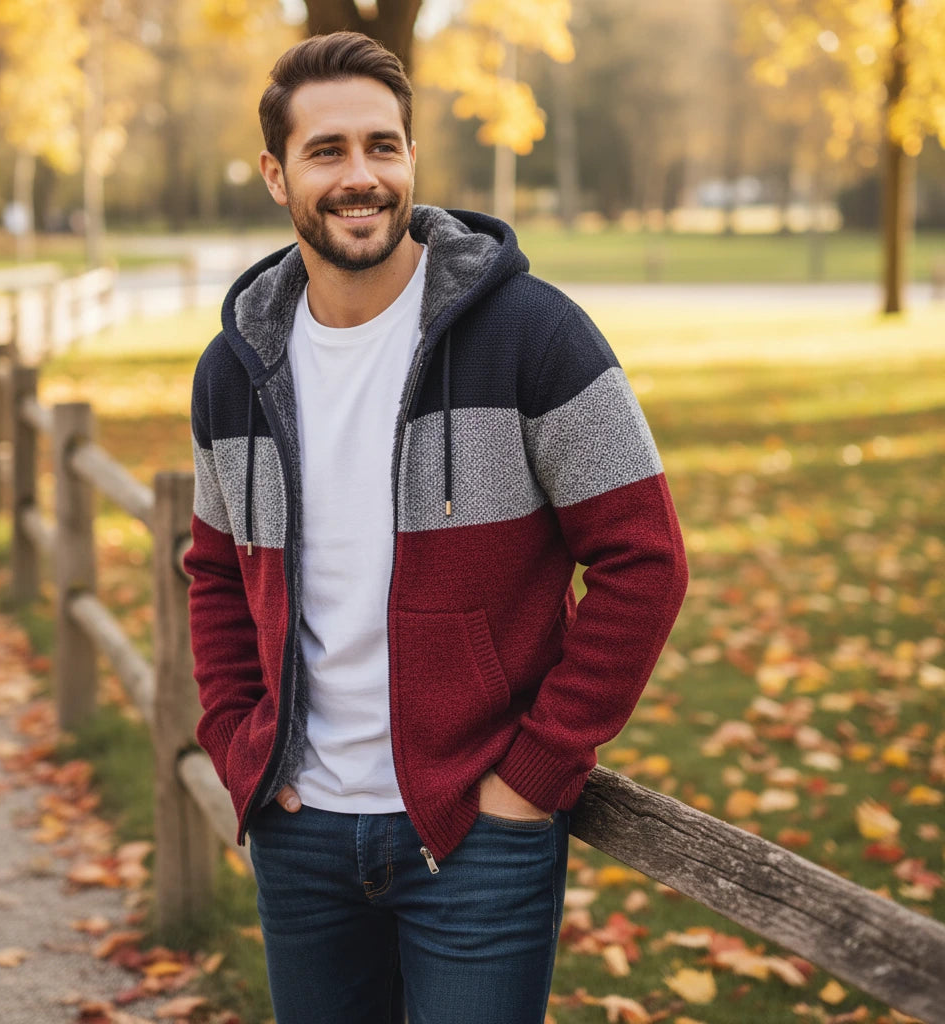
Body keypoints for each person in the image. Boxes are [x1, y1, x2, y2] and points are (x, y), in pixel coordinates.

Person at [183, 30, 688, 1024]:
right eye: (327, 151)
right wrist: (238, 738)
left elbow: (645, 558)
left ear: (411, 157)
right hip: (302, 829)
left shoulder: (533, 335)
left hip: (475, 835)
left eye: (384, 145)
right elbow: (213, 569)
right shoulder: (235, 369)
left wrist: (533, 776)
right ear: (275, 174)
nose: (360, 176)